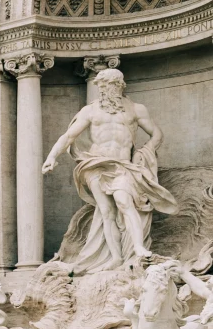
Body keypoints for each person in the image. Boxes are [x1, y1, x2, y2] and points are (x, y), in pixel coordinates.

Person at [43, 68, 178, 274]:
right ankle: (115, 257)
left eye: (109, 85)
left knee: (125, 201)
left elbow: (156, 133)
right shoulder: (90, 111)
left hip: (122, 165)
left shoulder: (135, 109)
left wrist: (146, 151)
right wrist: (52, 157)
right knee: (106, 211)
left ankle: (138, 248)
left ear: (120, 85)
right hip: (95, 164)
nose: (104, 89)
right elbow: (69, 136)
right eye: (102, 86)